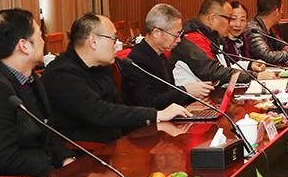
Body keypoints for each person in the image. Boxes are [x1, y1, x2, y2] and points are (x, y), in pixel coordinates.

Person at [0, 8, 77, 177]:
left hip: (37, 174)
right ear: (24, 46)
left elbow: (47, 133)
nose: (43, 42)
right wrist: (56, 173)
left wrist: (67, 160)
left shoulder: (30, 78)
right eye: (40, 36)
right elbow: (4, 159)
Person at [43, 13, 188, 143]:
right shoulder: (61, 73)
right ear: (93, 41)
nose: (116, 46)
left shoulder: (101, 66)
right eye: (113, 39)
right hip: (87, 151)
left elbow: (118, 107)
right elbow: (101, 112)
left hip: (114, 143)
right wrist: (157, 115)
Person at [123, 4, 213, 110]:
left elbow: (169, 94)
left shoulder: (161, 56)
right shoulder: (137, 61)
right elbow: (149, 102)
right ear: (156, 33)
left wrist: (193, 98)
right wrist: (186, 91)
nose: (179, 40)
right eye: (176, 35)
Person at [176, 0, 263, 87]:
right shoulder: (192, 38)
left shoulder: (212, 37)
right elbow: (213, 72)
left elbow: (225, 68)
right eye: (229, 19)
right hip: (190, 96)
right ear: (212, 19)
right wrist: (254, 76)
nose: (231, 24)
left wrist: (249, 65)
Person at [245, 0, 288, 66]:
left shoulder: (267, 28)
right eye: (281, 9)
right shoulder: (253, 29)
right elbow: (266, 56)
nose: (282, 13)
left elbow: (281, 44)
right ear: (276, 12)